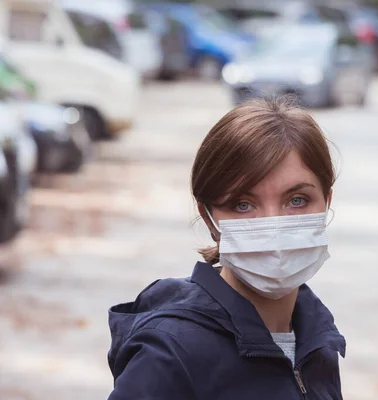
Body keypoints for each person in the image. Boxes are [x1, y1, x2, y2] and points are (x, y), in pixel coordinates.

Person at [107, 97, 346, 399]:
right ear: (209, 217)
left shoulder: (315, 337)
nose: (272, 224)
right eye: (242, 205)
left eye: (296, 200)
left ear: (326, 203)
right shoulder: (171, 354)